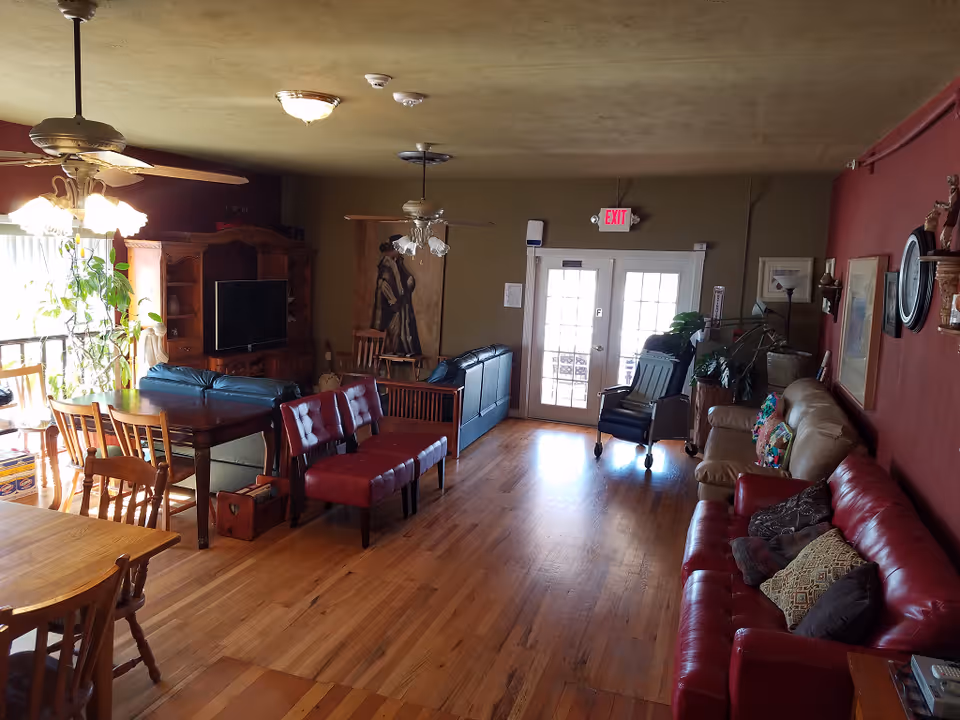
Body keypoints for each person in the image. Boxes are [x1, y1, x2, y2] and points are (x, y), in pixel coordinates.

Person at [371, 236, 422, 355]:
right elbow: (383, 284)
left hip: (399, 306)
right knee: (393, 332)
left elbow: (405, 278)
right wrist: (393, 300)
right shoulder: (387, 264)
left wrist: (410, 281)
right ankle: (392, 357)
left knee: (401, 332)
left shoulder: (397, 262)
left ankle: (400, 355)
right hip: (390, 308)